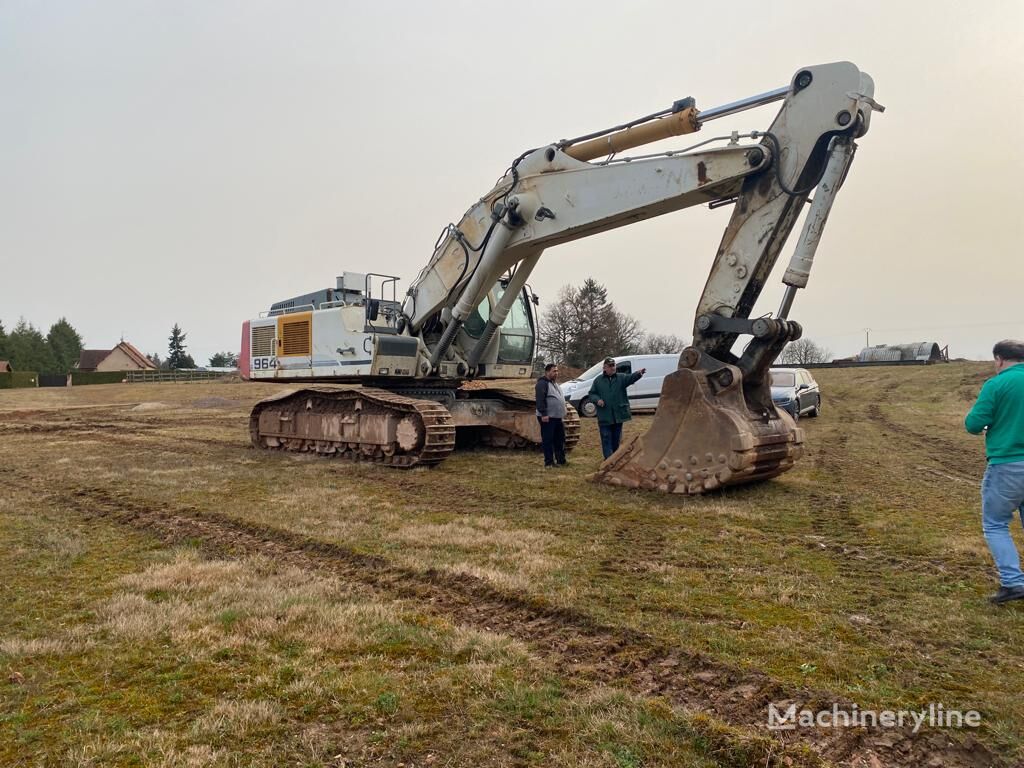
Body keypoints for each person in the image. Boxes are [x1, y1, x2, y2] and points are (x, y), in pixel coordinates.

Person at [965, 339, 1024, 605]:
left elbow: (974, 424)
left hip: (1008, 463)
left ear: (999, 359)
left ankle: (1013, 583)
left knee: (996, 524)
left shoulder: (997, 384)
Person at [588, 357, 645, 460]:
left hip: (618, 416)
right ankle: (608, 460)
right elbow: (592, 394)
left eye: (613, 365)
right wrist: (597, 400)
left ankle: (614, 458)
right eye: (610, 366)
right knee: (606, 438)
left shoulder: (621, 378)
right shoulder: (598, 380)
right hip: (604, 415)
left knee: (616, 439)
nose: (612, 367)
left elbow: (631, 378)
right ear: (604, 368)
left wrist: (638, 374)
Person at [535, 363, 567, 468]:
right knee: (548, 440)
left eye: (557, 371)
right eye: (554, 371)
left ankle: (561, 460)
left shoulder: (555, 384)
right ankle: (549, 462)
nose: (556, 373)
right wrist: (544, 414)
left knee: (559, 439)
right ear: (547, 372)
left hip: (557, 417)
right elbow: (540, 400)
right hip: (548, 417)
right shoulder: (542, 384)